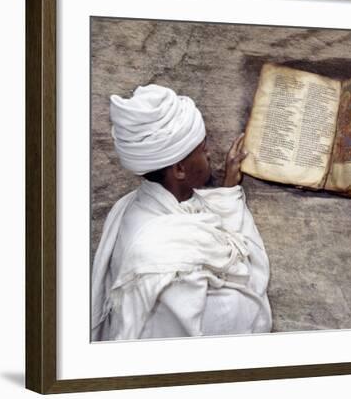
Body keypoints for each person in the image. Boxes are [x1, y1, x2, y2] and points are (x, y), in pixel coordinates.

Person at [91, 84, 272, 341]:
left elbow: (192, 210)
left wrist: (228, 187)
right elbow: (238, 318)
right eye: (202, 148)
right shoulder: (168, 271)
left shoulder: (133, 203)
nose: (209, 153)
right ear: (179, 170)